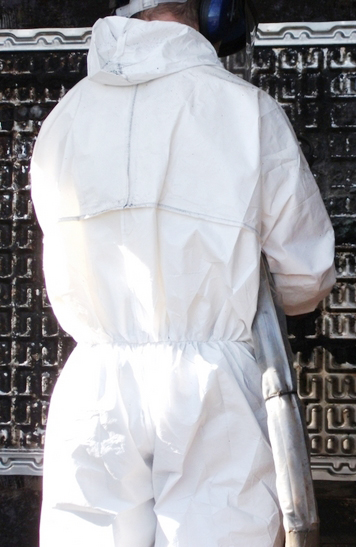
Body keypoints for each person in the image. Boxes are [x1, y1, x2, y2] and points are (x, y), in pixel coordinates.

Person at [29, 0, 336, 545]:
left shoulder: (63, 118)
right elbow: (306, 274)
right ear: (212, 13)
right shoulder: (245, 109)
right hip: (210, 389)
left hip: (94, 387)